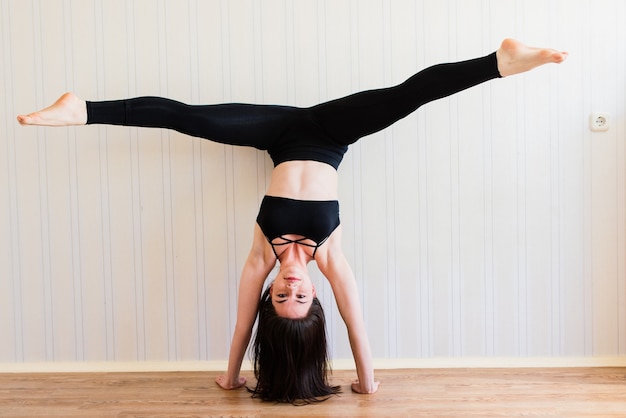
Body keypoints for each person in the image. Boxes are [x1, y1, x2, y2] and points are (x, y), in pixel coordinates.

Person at [17, 38, 567, 403]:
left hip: (277, 135)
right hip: (331, 134)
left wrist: (232, 378)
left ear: (271, 296)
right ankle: (502, 62)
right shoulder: (330, 257)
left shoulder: (262, 257)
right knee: (409, 96)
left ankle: (82, 109)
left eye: (281, 298)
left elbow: (240, 328)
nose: (291, 289)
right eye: (300, 299)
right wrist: (367, 383)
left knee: (185, 117)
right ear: (313, 299)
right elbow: (356, 326)